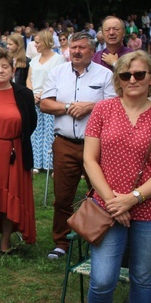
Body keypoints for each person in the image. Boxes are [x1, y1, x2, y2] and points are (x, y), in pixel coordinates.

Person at [73, 51, 151, 303]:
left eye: (139, 74)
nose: (132, 80)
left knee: (143, 277)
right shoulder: (103, 110)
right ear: (117, 79)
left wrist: (132, 199)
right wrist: (111, 201)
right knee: (103, 277)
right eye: (125, 75)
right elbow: (90, 160)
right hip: (108, 208)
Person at [40, 32, 116, 260]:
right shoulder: (57, 73)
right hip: (64, 144)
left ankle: (99, 238)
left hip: (97, 146)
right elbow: (45, 103)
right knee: (63, 196)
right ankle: (61, 242)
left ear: (92, 51)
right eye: (73, 47)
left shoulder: (105, 74)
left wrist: (90, 107)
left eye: (82, 47)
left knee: (100, 194)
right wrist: (69, 107)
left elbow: (114, 105)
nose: (76, 51)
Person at [0, 48, 37, 254]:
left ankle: (6, 241)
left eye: (5, 67)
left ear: (12, 70)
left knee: (12, 195)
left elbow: (31, 123)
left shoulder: (24, 94)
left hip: (15, 153)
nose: (0, 70)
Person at [27, 30, 64, 172]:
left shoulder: (58, 59)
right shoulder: (34, 60)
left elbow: (57, 81)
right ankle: (36, 163)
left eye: (37, 42)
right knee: (35, 131)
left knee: (49, 132)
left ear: (46, 42)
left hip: (50, 99)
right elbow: (28, 79)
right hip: (34, 99)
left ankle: (49, 164)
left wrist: (43, 94)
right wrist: (32, 94)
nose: (35, 45)